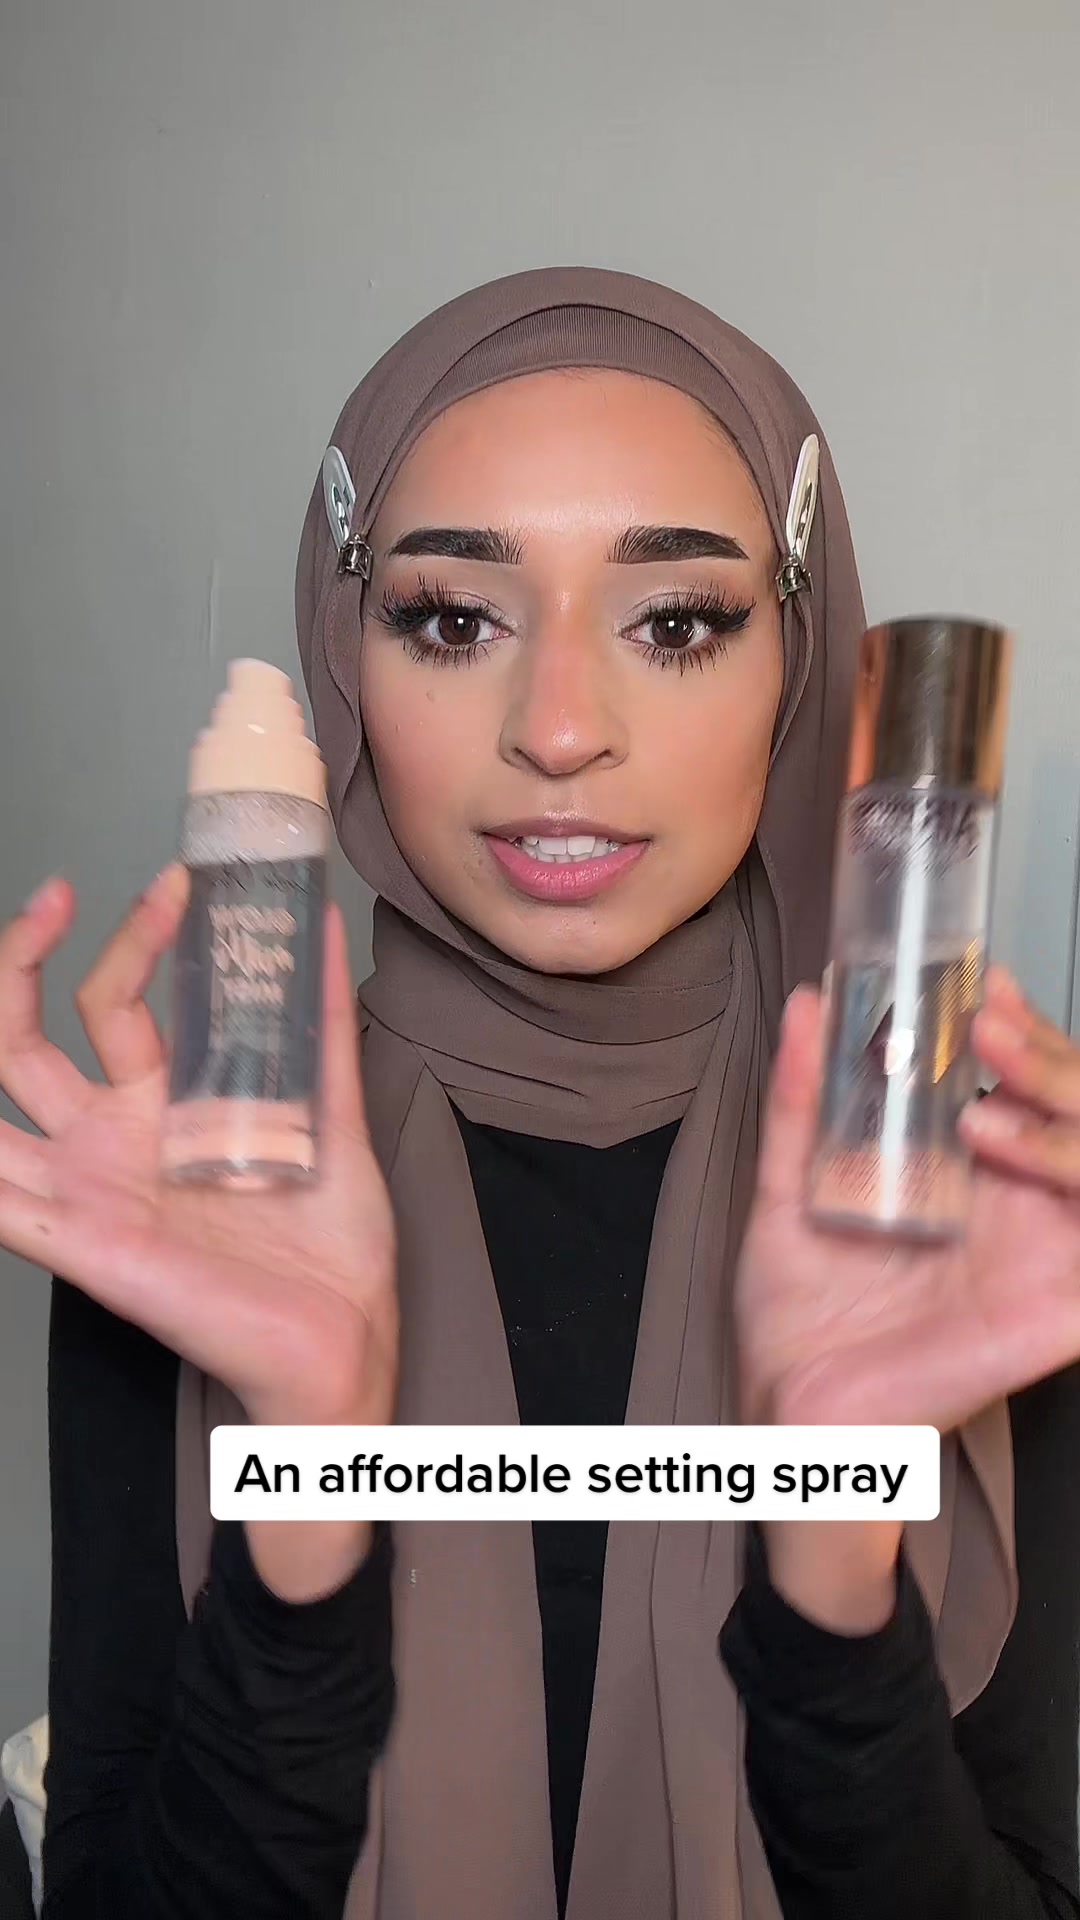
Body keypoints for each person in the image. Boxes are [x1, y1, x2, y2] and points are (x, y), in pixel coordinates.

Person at [1, 267, 1079, 1920]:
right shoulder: (201, 1192)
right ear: (345, 661)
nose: (561, 730)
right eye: (452, 619)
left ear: (796, 663)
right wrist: (312, 1474)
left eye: (678, 622)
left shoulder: (967, 1212)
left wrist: (829, 1538)